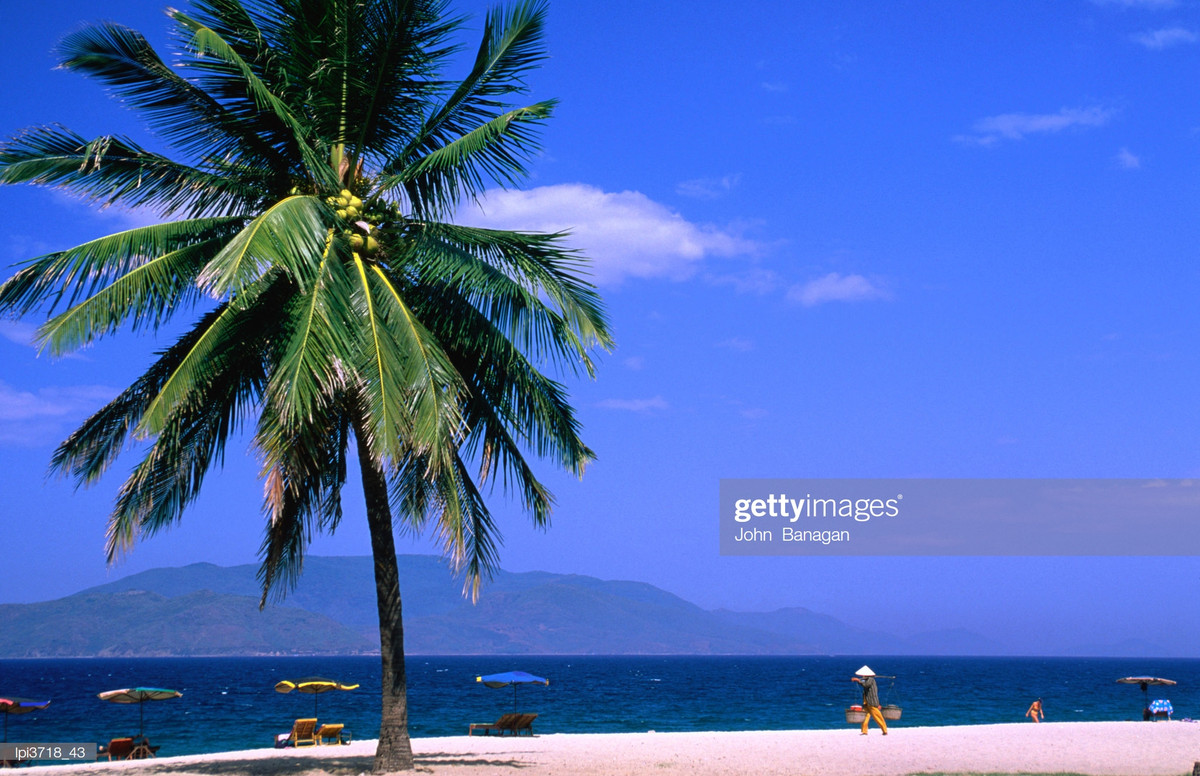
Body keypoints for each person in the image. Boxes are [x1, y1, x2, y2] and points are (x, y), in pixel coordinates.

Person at [851, 665, 888, 735]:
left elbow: (866, 685)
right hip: (866, 703)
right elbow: (863, 681)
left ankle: (884, 730)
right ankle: (864, 731)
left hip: (872, 703)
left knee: (878, 717)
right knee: (865, 717)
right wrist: (859, 680)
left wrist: (857, 680)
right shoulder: (867, 679)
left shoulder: (871, 680)